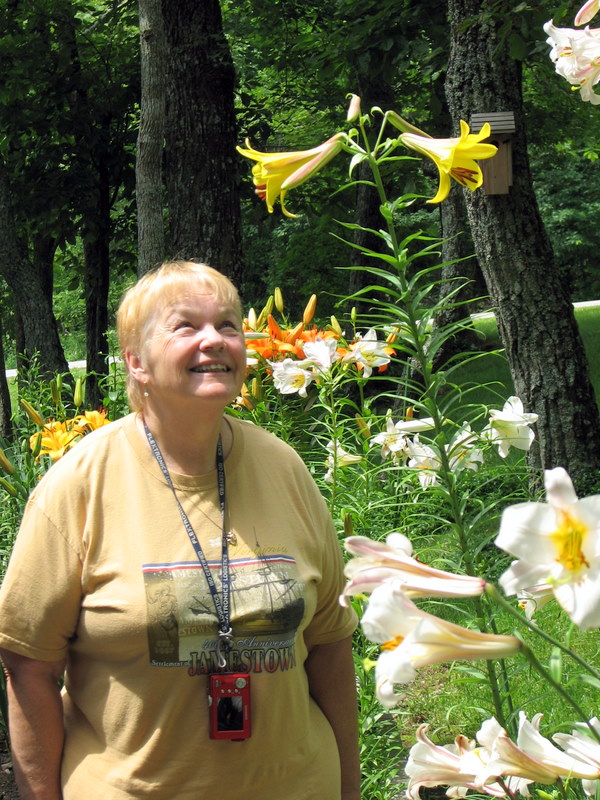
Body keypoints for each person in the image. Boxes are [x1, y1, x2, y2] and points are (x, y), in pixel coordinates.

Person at [0, 261, 361, 800]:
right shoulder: (78, 484)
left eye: (228, 325)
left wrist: (349, 787)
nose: (214, 339)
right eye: (185, 326)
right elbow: (28, 666)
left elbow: (329, 642)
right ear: (136, 362)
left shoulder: (285, 468)